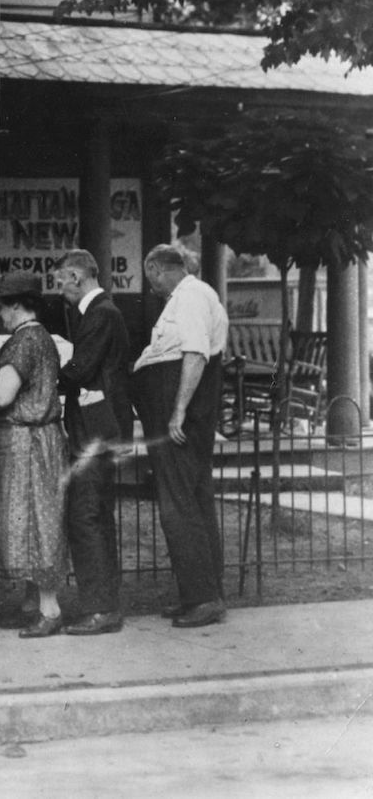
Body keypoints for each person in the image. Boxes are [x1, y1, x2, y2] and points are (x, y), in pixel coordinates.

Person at [0, 271, 69, 638]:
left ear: (17, 305)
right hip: (42, 439)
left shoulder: (22, 342)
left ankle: (49, 610)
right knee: (39, 518)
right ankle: (33, 604)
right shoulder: (44, 339)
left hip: (23, 444)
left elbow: (3, 396)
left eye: (2, 306)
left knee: (32, 520)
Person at [133, 243, 229, 629]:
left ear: (156, 268)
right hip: (184, 410)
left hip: (180, 414)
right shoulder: (198, 295)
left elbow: (195, 354)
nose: (151, 285)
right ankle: (204, 591)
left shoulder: (189, 297)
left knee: (178, 504)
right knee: (195, 499)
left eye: (149, 276)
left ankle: (203, 597)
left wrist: (177, 410)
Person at [54, 249, 131, 636]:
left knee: (85, 515)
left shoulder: (100, 314)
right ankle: (105, 604)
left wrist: (50, 376)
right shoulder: (100, 312)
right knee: (95, 514)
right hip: (102, 428)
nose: (59, 289)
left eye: (60, 281)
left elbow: (81, 369)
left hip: (95, 431)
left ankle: (100, 609)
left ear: (76, 276)